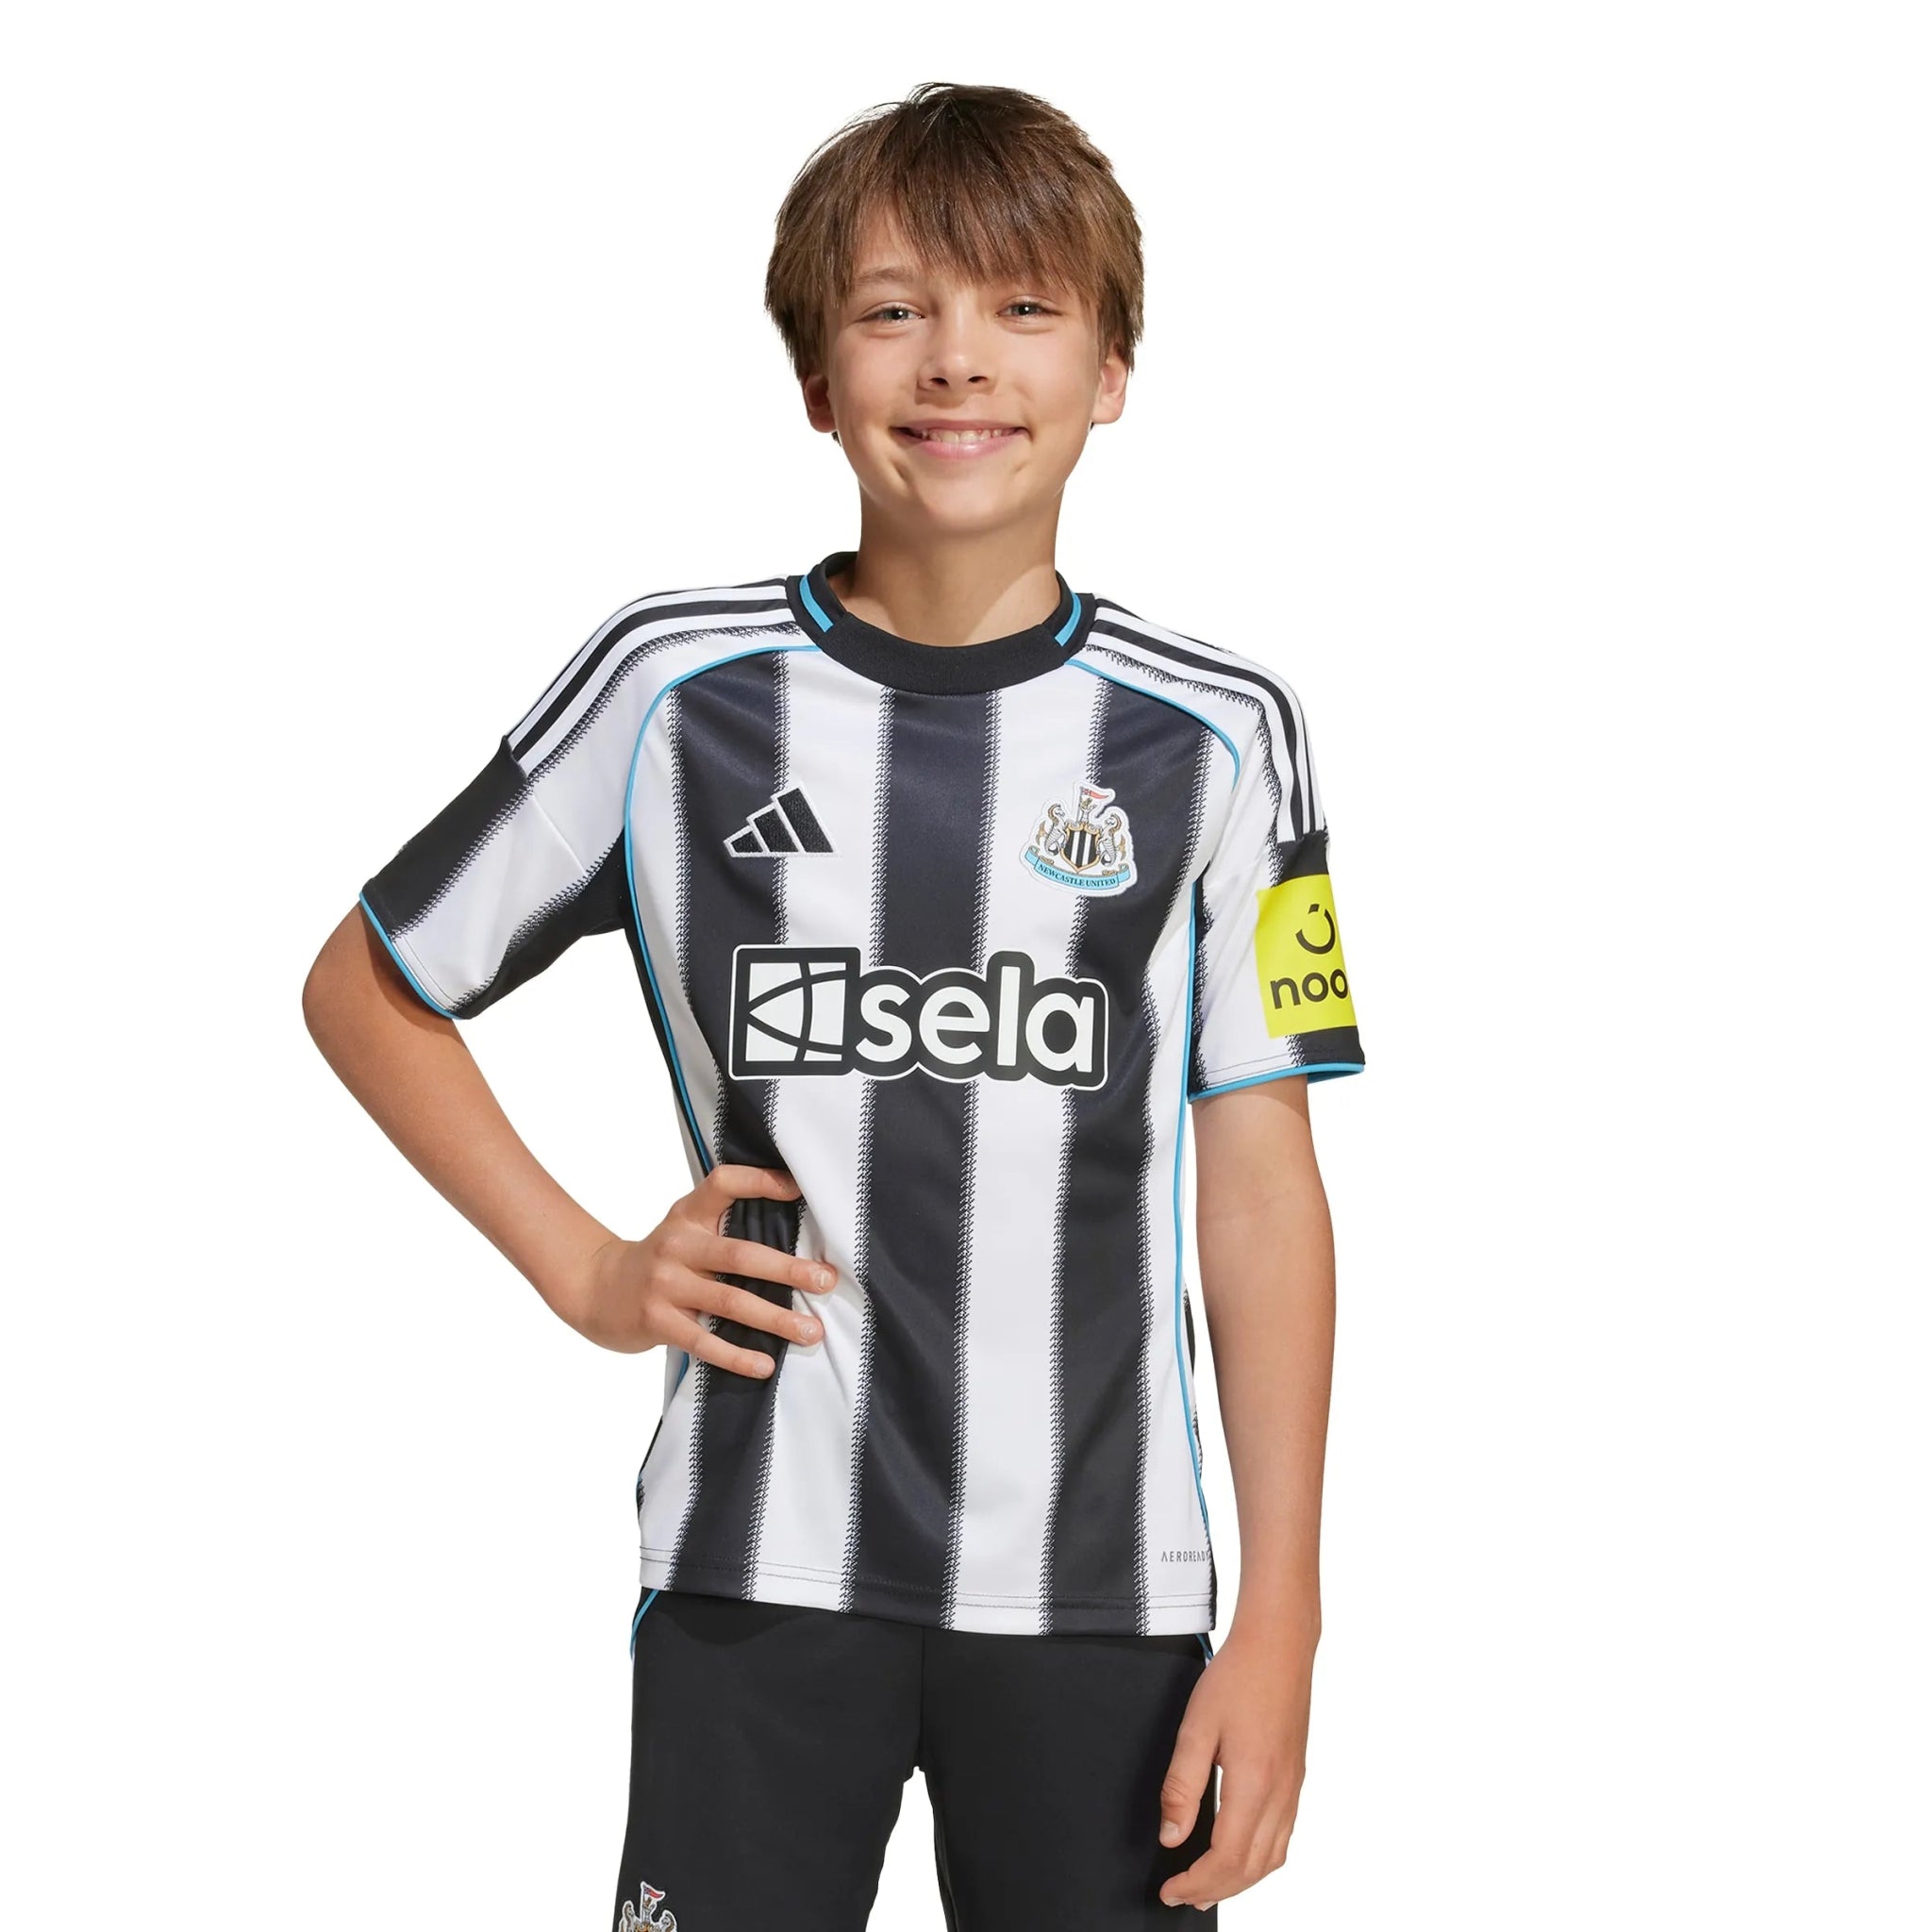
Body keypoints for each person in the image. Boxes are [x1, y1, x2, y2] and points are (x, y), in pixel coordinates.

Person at [303, 79, 1365, 1931]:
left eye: (1023, 307)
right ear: (814, 377)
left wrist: (1283, 1609)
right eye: (893, 309)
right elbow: (369, 983)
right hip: (758, 1572)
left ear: (1113, 368)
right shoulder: (669, 687)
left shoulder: (1223, 736)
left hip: (1104, 1599)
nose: (958, 359)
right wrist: (588, 1271)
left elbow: (1261, 1175)